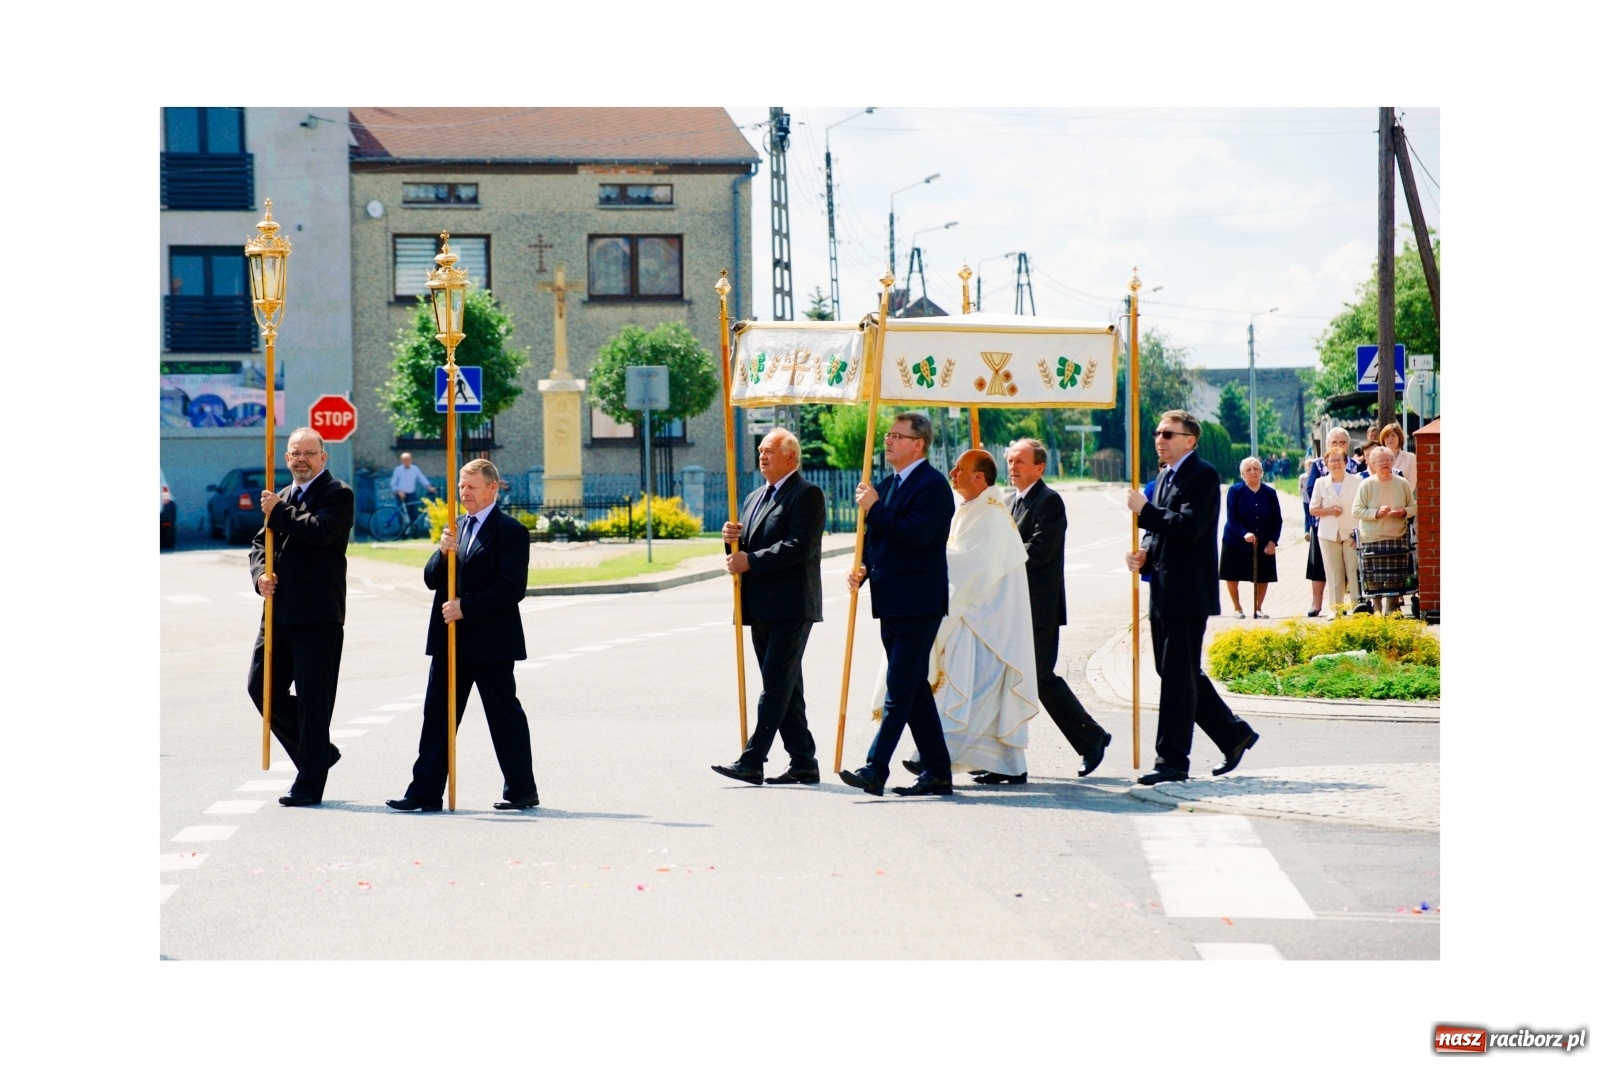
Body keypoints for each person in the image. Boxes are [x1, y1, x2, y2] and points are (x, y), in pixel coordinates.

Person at [388, 458, 539, 812]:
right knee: (437, 715)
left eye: (471, 486)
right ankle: (424, 791)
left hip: (491, 641)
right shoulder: (455, 527)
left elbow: (511, 587)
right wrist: (442, 553)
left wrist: (466, 607)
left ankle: (521, 789)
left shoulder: (510, 531)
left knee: (503, 716)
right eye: (460, 486)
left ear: (492, 488)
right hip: (449, 640)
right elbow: (430, 579)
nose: (464, 493)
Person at [1124, 410, 1259, 785]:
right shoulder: (1164, 476)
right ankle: (1233, 734)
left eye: (1168, 433)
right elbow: (1159, 532)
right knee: (1172, 672)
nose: (1160, 439)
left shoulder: (1202, 475)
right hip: (1163, 590)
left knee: (1177, 679)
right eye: (1157, 433)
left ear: (1190, 440)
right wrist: (1144, 552)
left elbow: (1189, 527)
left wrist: (1145, 511)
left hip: (1187, 592)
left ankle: (1172, 761)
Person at [899, 449, 1040, 783]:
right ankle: (1006, 764)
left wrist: (924, 552)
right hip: (973, 614)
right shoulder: (971, 509)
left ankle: (933, 758)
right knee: (976, 695)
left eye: (959, 468)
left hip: (988, 623)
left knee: (963, 691)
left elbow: (972, 566)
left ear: (979, 478)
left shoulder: (991, 515)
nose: (952, 472)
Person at [840, 412, 957, 798]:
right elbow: (880, 542)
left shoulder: (934, 486)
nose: (888, 441)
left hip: (919, 602)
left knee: (899, 686)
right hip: (890, 601)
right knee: (914, 689)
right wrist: (863, 569)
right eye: (888, 435)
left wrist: (876, 508)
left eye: (897, 436)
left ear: (918, 443)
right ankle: (938, 770)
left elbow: (916, 535)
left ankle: (876, 768)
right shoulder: (887, 485)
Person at [246, 428, 355, 807]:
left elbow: (321, 532)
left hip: (318, 616)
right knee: (261, 688)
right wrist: (261, 575)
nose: (301, 460)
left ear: (323, 458)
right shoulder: (285, 496)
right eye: (295, 453)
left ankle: (309, 782)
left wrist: (278, 511)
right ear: (287, 457)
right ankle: (318, 753)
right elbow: (261, 543)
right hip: (277, 613)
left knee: (313, 702)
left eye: (309, 453)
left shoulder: (337, 493)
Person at [711, 429, 825, 786]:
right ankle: (804, 761)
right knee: (786, 687)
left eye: (770, 451)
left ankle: (752, 760)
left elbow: (799, 546)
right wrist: (731, 542)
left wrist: (751, 560)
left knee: (775, 684)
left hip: (792, 605)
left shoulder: (807, 494)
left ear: (791, 456)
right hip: (759, 605)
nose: (762, 456)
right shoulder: (754, 496)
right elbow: (741, 553)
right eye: (760, 450)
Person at [1004, 437, 1112, 778]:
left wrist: (997, 554)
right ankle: (1002, 761)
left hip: (1039, 608)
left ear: (1039, 467)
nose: (1013, 467)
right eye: (1010, 461)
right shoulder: (1010, 502)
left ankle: (1091, 737)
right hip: (1012, 607)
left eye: (1021, 461)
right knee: (1006, 681)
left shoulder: (1049, 502)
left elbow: (1039, 551)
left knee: (1039, 678)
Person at [1303, 427, 1362, 617]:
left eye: (1339, 460)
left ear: (1346, 462)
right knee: (1334, 572)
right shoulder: (1321, 482)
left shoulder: (1357, 480)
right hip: (1328, 533)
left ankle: (1357, 608)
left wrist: (1361, 531)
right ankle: (1335, 610)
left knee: (1352, 570)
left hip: (1351, 532)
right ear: (1326, 464)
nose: (1335, 463)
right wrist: (1330, 511)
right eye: (1331, 461)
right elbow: (1313, 508)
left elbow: (1362, 506)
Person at [1352, 445, 1418, 615]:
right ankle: (1377, 608)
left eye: (1388, 460)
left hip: (1396, 536)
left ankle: (1389, 610)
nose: (1385, 463)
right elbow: (1356, 511)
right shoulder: (1366, 484)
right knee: (1373, 579)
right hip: (1372, 537)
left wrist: (1404, 511)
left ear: (1392, 462)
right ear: (1372, 464)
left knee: (1394, 578)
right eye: (1380, 461)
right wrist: (1376, 513)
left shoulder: (1401, 483)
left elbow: (1413, 506)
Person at [1220, 456, 1283, 619]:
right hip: (1235, 539)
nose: (1253, 472)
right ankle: (1237, 608)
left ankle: (1258, 608)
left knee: (1263, 574)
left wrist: (1272, 541)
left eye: (1256, 469)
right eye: (1248, 470)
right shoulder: (1235, 491)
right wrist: (1244, 533)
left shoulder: (1269, 493)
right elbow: (1231, 517)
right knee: (1232, 574)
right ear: (1242, 474)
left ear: (1262, 472)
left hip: (1262, 540)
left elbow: (1277, 519)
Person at [390, 452, 433, 528]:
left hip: (411, 494)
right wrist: (398, 491)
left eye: (408, 460)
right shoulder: (398, 470)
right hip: (400, 494)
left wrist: (429, 487)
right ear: (402, 461)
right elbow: (393, 483)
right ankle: (403, 532)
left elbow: (422, 478)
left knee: (413, 512)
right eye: (405, 460)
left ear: (411, 460)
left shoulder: (415, 469)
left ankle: (414, 532)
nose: (407, 461)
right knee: (402, 514)